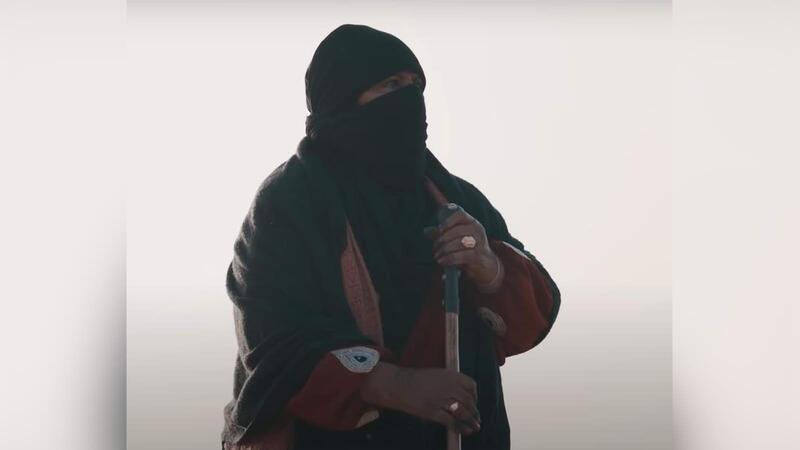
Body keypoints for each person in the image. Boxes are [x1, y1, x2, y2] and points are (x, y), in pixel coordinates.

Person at [220, 24, 561, 450]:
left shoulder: (454, 197)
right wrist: (397, 384)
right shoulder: (290, 203)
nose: (410, 100)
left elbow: (536, 315)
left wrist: (488, 266)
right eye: (391, 85)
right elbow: (273, 344)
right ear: (344, 97)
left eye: (416, 85)